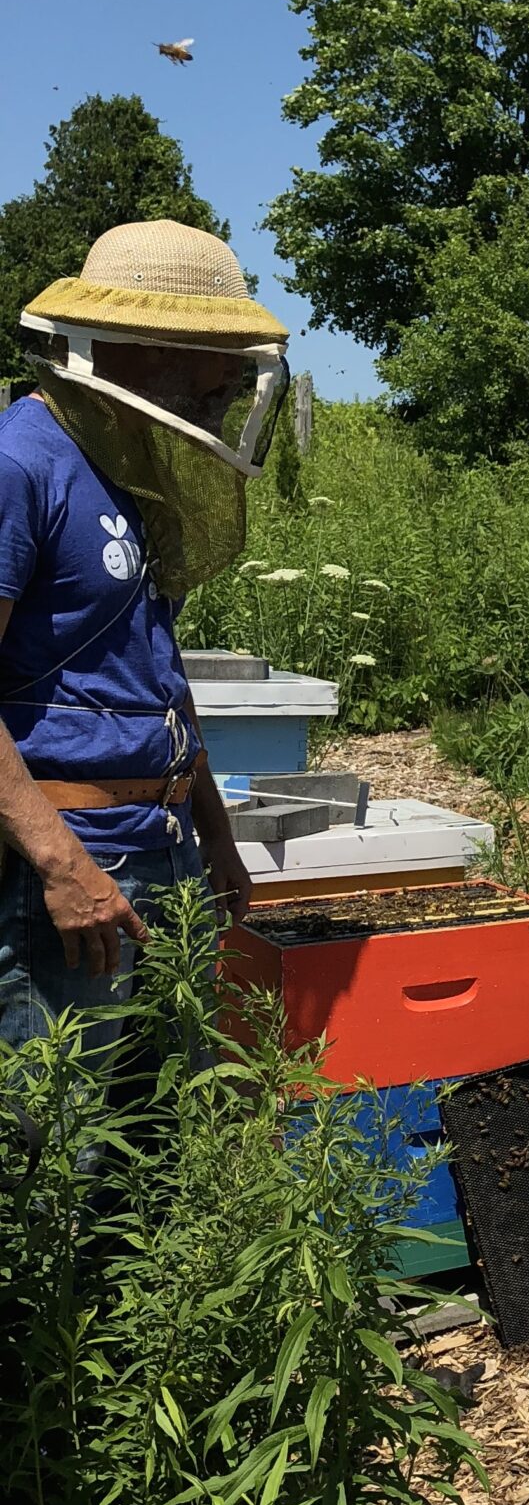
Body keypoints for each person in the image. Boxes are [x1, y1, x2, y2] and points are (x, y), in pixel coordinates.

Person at [0, 221, 287, 1053]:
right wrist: (60, 865)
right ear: (138, 345)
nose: (226, 378)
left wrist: (214, 832)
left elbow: (151, 672)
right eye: (209, 349)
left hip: (163, 853)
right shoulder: (22, 464)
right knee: (65, 1153)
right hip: (64, 861)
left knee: (162, 1151)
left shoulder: (126, 471)